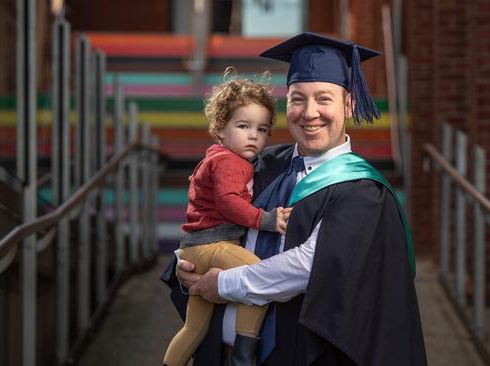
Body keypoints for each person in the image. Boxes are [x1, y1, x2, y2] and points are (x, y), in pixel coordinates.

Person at [161, 32, 427, 366]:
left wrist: (222, 283)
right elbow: (210, 212)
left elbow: (307, 267)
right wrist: (188, 267)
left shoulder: (361, 191)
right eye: (298, 98)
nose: (309, 112)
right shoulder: (262, 164)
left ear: (349, 104)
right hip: (219, 353)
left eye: (324, 99)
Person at [163, 70, 292, 366]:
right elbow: (229, 203)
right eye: (243, 126)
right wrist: (268, 220)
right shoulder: (228, 162)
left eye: (261, 129)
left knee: (194, 328)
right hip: (213, 245)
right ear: (221, 129)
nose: (253, 136)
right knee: (258, 277)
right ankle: (243, 355)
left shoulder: (218, 157)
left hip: (196, 247)